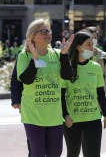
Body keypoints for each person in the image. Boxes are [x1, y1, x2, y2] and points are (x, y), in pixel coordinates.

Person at [15, 18, 74, 157]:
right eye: (43, 31)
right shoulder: (24, 56)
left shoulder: (58, 54)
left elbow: (67, 76)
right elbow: (26, 80)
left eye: (49, 31)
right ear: (33, 36)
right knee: (38, 153)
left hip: (54, 115)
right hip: (33, 114)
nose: (48, 34)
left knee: (55, 153)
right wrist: (35, 59)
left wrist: (64, 55)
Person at [62, 30, 106, 157]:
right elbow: (61, 95)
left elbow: (100, 93)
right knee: (73, 154)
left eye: (92, 44)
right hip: (72, 120)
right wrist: (65, 115)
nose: (92, 47)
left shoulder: (96, 67)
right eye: (88, 44)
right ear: (78, 47)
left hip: (93, 119)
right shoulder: (67, 68)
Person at [81, 26, 106, 157]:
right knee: (82, 134)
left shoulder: (103, 56)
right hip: (80, 100)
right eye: (89, 37)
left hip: (97, 101)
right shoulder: (76, 54)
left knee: (93, 134)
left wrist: (103, 95)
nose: (92, 40)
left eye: (94, 38)